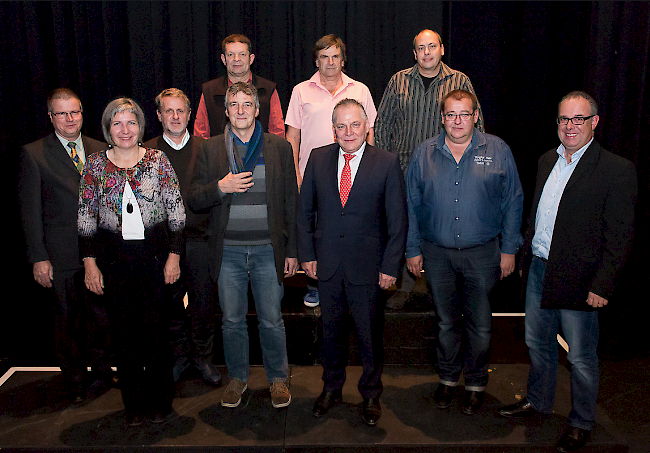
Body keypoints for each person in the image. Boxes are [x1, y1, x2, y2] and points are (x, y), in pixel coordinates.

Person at [497, 91, 637, 452]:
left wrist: (602, 285)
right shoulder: (547, 160)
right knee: (537, 343)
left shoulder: (616, 169)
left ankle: (581, 422)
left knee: (580, 357)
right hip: (539, 271)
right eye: (564, 119)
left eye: (578, 119)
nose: (570, 126)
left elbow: (620, 236)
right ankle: (539, 401)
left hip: (580, 280)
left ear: (594, 122)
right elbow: (538, 215)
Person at [406, 89, 523, 415]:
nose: (457, 121)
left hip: (483, 255)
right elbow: (410, 205)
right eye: (451, 115)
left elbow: (513, 201)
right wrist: (412, 248)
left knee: (480, 325)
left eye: (464, 114)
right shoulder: (424, 153)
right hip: (437, 255)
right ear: (442, 118)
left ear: (475, 116)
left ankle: (475, 384)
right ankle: (447, 379)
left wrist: (509, 249)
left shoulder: (498, 150)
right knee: (446, 323)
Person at [188, 82, 298, 409]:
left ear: (257, 109)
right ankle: (237, 378)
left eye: (247, 104)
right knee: (232, 321)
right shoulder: (210, 149)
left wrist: (292, 251)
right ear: (225, 111)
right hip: (228, 252)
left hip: (268, 250)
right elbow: (194, 199)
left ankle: (278, 379)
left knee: (271, 320)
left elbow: (291, 202)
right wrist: (220, 187)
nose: (240, 110)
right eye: (234, 104)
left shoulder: (278, 148)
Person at [297, 99, 407, 426]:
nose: (348, 132)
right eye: (341, 126)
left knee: (369, 336)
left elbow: (398, 221)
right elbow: (304, 213)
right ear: (333, 129)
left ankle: (371, 394)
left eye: (355, 125)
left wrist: (390, 267)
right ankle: (331, 387)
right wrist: (307, 255)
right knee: (330, 333)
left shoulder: (386, 162)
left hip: (369, 268)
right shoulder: (318, 158)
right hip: (327, 265)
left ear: (366, 126)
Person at [78, 98, 185, 427]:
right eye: (117, 123)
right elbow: (85, 218)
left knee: (157, 334)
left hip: (155, 258)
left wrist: (174, 257)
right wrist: (90, 264)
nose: (125, 130)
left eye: (131, 122)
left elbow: (176, 212)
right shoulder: (94, 165)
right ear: (107, 129)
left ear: (141, 126)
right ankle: (134, 405)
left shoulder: (158, 160)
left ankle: (161, 401)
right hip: (114, 261)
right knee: (124, 337)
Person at [375, 29, 485, 310]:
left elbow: (477, 124)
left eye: (432, 46)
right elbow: (383, 124)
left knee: (441, 229)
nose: (427, 52)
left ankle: (441, 289)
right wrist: (385, 165)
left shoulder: (459, 81)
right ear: (415, 53)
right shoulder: (399, 81)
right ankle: (405, 287)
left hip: (447, 171)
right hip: (402, 169)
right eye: (421, 48)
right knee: (404, 228)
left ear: (442, 49)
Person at [18, 88, 110, 403]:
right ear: (50, 116)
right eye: (62, 113)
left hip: (100, 252)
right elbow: (29, 212)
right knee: (68, 322)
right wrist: (38, 257)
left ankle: (102, 374)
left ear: (82, 113)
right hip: (61, 255)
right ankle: (75, 381)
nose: (70, 119)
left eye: (75, 112)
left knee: (100, 318)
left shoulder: (101, 149)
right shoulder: (34, 154)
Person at [286, 34, 377, 307]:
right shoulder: (301, 91)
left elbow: (370, 134)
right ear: (316, 60)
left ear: (343, 60)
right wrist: (296, 173)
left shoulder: (360, 90)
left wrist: (371, 173)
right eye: (324, 57)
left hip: (353, 174)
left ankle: (353, 283)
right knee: (317, 230)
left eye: (335, 56)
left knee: (349, 229)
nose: (330, 62)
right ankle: (316, 285)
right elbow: (292, 136)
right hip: (314, 176)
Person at [144, 88, 221, 386]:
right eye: (169, 111)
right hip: (163, 245)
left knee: (203, 304)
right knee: (170, 305)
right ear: (159, 115)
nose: (175, 117)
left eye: (180, 111)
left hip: (201, 240)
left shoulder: (208, 148)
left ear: (189, 115)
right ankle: (179, 357)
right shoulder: (146, 151)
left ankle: (203, 358)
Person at [194, 34, 285, 139]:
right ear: (223, 59)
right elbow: (201, 135)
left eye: (242, 54)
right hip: (219, 150)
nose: (236, 59)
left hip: (261, 149)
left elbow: (277, 133)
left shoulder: (268, 89)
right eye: (231, 54)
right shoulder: (209, 91)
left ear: (251, 59)